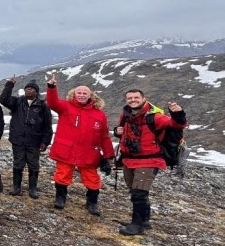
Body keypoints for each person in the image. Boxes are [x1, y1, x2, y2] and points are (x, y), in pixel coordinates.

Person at [114, 90, 187, 235]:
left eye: (136, 97)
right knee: (135, 190)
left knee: (139, 193)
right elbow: (123, 133)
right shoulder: (125, 115)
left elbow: (176, 125)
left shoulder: (155, 116)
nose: (133, 100)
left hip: (149, 159)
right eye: (130, 98)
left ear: (144, 99)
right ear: (126, 100)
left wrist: (178, 114)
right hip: (129, 159)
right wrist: (117, 131)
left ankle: (137, 225)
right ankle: (144, 220)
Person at [46, 76, 115, 215]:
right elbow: (52, 102)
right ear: (74, 94)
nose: (82, 95)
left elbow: (104, 137)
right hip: (66, 150)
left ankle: (92, 203)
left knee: (92, 179)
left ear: (90, 95)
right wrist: (52, 88)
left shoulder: (99, 115)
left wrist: (108, 156)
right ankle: (60, 199)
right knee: (62, 175)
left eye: (85, 93)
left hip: (88, 152)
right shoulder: (65, 106)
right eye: (79, 93)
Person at [0, 78, 53, 198]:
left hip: (34, 142)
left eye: (32, 88)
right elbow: (3, 99)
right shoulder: (17, 102)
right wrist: (9, 85)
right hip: (18, 140)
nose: (29, 90)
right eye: (27, 88)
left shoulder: (42, 106)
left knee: (33, 165)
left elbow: (47, 126)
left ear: (36, 91)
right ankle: (16, 187)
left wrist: (45, 141)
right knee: (18, 163)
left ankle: (32, 188)